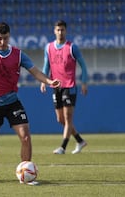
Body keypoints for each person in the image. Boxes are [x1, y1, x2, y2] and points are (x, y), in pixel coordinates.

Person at [0, 22, 60, 185]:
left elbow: (35, 71)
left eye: (5, 38)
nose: (2, 42)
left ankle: (26, 172)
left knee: (25, 137)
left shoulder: (18, 54)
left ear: (9, 37)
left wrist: (49, 81)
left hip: (12, 102)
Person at [40, 20, 88, 155]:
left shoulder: (72, 47)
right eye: (58, 30)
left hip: (69, 86)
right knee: (60, 119)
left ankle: (63, 147)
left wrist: (84, 82)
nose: (60, 32)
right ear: (54, 31)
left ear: (66, 31)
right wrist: (44, 81)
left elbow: (83, 65)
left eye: (62, 30)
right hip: (56, 86)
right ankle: (79, 140)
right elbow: (46, 65)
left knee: (68, 118)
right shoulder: (48, 47)